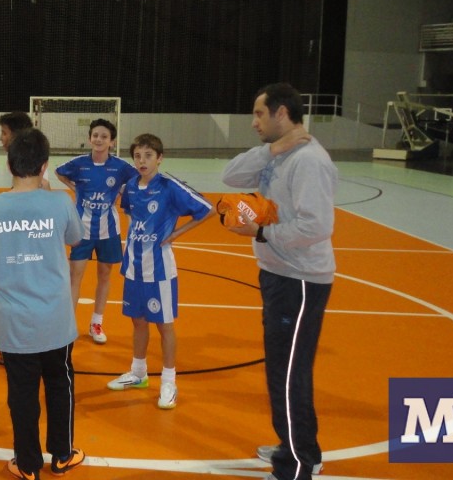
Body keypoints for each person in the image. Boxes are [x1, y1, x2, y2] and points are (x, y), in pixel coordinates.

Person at [221, 83, 336, 480]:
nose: (254, 122)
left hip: (300, 280)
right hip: (278, 274)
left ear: (281, 113)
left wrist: (261, 233)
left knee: (289, 374)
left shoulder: (310, 162)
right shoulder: (280, 155)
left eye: (259, 114)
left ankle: (298, 465)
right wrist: (272, 150)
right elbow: (230, 174)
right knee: (283, 371)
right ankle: (296, 446)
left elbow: (316, 225)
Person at [0, 128, 85, 480]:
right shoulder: (61, 202)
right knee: (60, 384)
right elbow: (75, 238)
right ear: (44, 166)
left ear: (9, 164)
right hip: (55, 317)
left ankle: (27, 465)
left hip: (14, 320)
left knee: (21, 393)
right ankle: (62, 454)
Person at [106, 133, 213, 412]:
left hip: (160, 270)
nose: (142, 161)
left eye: (148, 155)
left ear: (160, 158)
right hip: (133, 266)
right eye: (138, 156)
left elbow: (206, 210)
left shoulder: (169, 186)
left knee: (164, 326)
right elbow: (131, 213)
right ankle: (138, 373)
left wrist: (176, 233)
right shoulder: (130, 187)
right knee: (138, 321)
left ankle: (169, 380)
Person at [54, 118, 138, 344]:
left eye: (104, 136)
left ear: (112, 142)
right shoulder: (79, 163)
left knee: (104, 275)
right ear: (90, 138)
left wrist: (122, 194)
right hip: (81, 229)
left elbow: (136, 180)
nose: (99, 139)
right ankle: (68, 324)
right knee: (75, 275)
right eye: (96, 135)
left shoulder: (120, 167)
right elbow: (58, 172)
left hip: (109, 230)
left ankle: (96, 323)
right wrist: (76, 188)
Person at [0, 112, 50, 190]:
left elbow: (44, 186)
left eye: (4, 133)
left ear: (16, 136)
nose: (0, 138)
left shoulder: (33, 162)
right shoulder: (14, 158)